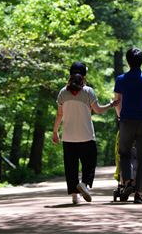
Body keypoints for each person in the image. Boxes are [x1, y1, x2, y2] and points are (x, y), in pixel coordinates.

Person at [52, 61, 117, 204]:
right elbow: (98, 110)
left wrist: (55, 132)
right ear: (84, 75)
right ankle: (84, 184)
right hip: (86, 136)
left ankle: (75, 195)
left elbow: (59, 115)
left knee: (71, 166)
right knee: (89, 163)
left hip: (68, 137)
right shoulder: (88, 91)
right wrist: (111, 104)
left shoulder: (63, 92)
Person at [114, 48, 142, 204]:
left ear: (127, 61)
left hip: (126, 121)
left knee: (124, 152)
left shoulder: (120, 79)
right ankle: (139, 193)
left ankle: (127, 182)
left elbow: (117, 102)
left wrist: (120, 116)